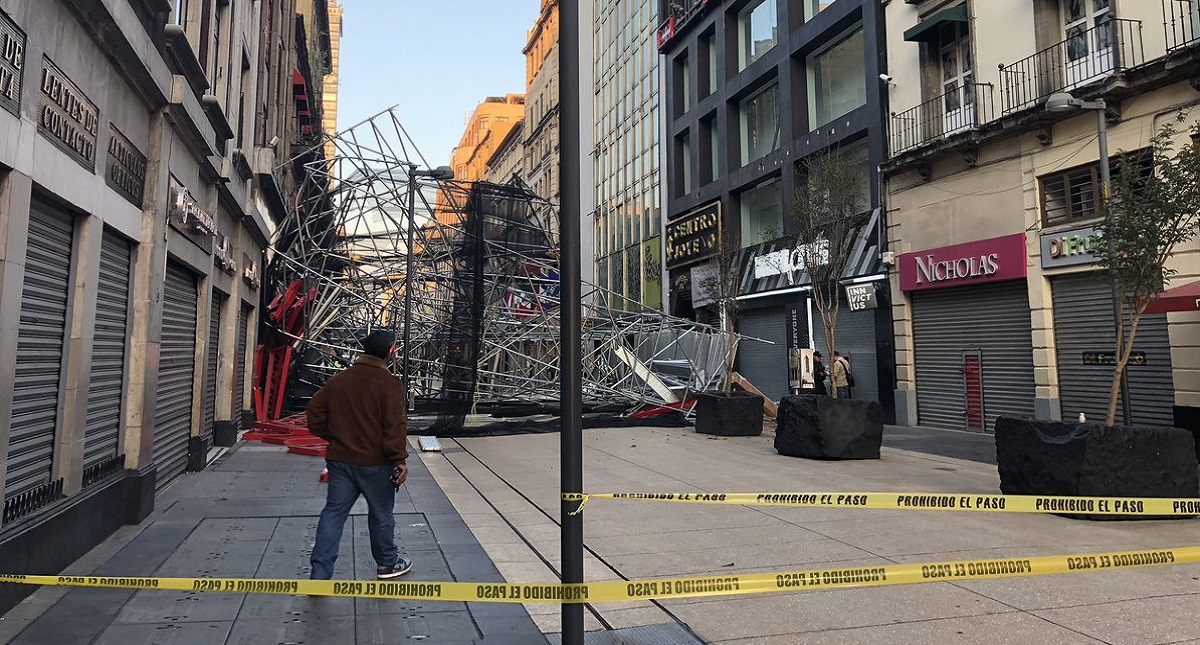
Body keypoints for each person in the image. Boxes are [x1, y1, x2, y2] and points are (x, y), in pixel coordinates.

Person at [307, 330, 411, 581]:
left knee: (333, 513)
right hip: (376, 464)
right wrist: (399, 459)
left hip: (341, 461)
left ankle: (320, 573)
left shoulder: (340, 380)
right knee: (381, 514)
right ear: (391, 351)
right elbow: (394, 425)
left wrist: (336, 437)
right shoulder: (388, 383)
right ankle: (387, 563)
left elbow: (314, 414)